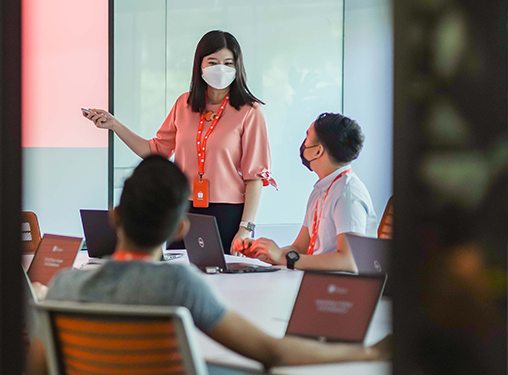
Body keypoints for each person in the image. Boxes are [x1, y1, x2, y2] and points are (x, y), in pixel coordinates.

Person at [42, 155, 390, 371]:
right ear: (181, 228)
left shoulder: (63, 288)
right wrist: (370, 355)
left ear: (115, 217)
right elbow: (273, 353)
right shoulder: (179, 287)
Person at [83, 30, 275, 253]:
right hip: (183, 211)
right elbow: (154, 150)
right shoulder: (184, 104)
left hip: (228, 213)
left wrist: (245, 228)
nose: (221, 69)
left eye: (228, 63)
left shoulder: (249, 111)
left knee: (223, 279)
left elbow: (255, 178)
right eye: (213, 62)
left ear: (237, 67)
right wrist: (115, 125)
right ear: (200, 65)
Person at [232, 113, 378, 272]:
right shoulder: (322, 188)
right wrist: (266, 253)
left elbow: (349, 261)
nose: (303, 143)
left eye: (307, 137)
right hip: (318, 282)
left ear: (318, 151)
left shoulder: (348, 194)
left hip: (341, 291)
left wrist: (283, 258)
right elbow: (300, 248)